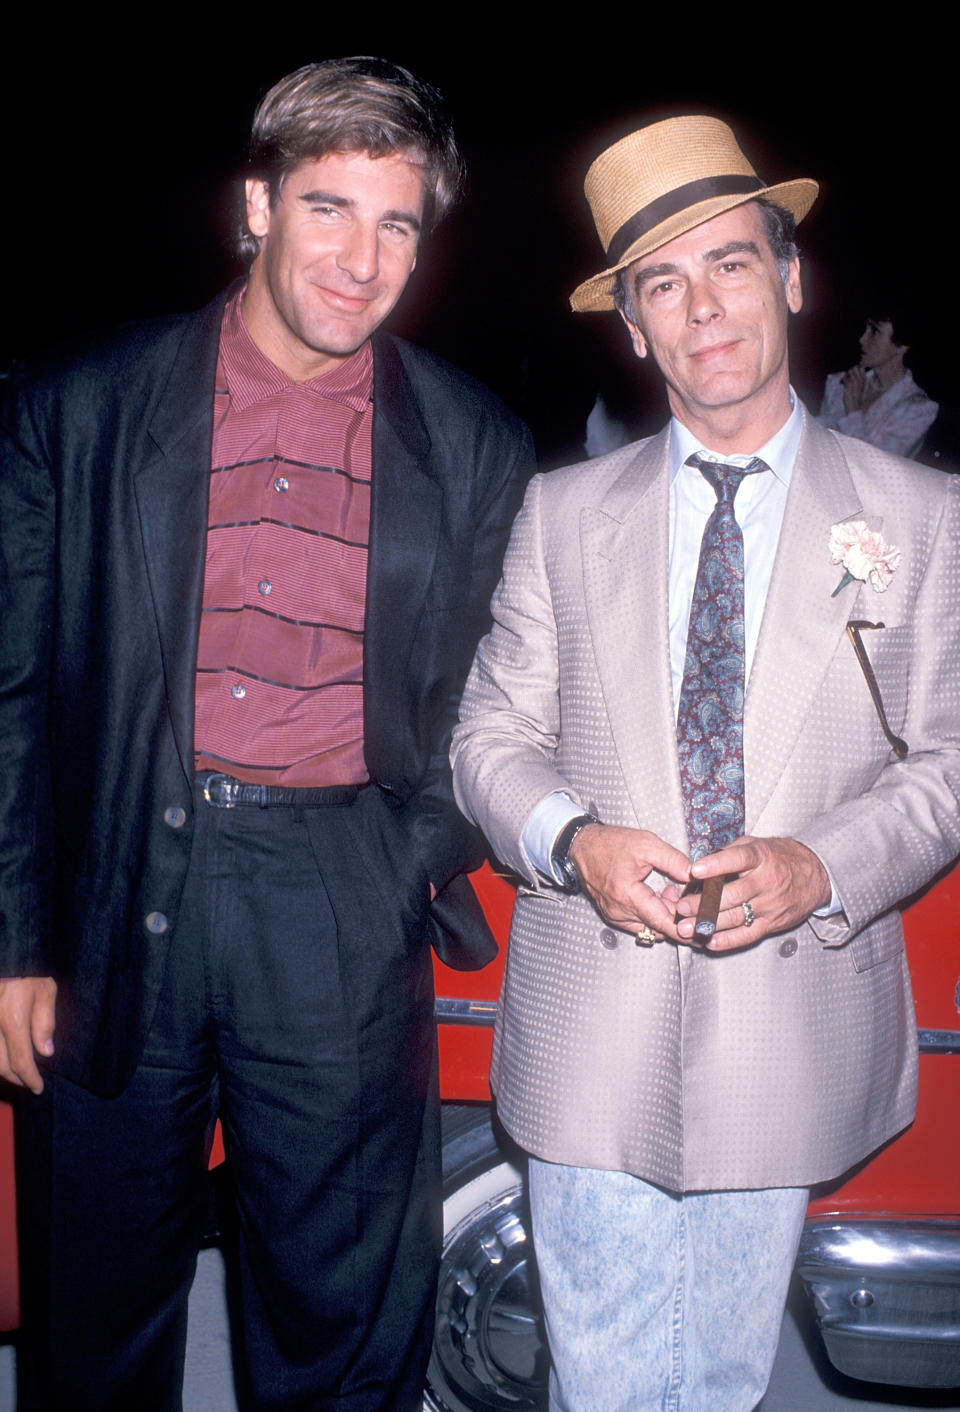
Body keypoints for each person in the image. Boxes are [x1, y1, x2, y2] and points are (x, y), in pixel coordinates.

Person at [0, 56, 532, 1411]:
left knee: (342, 1319)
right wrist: (15, 942)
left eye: (398, 222)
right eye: (330, 209)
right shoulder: (78, 410)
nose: (362, 259)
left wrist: (395, 859)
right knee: (96, 1306)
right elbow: (10, 693)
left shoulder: (474, 444)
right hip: (124, 880)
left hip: (337, 893)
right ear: (258, 203)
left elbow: (502, 695)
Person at [451, 115, 960, 1411]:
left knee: (722, 1382)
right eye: (660, 283)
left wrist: (822, 862)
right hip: (593, 1032)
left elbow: (948, 763)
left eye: (730, 263)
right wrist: (574, 839)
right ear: (630, 325)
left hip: (786, 1028)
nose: (701, 306)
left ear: (790, 279)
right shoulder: (563, 517)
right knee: (611, 1380)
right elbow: (489, 739)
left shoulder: (920, 519)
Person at [818, 309, 938, 457]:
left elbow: (874, 467)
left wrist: (853, 412)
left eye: (874, 331)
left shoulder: (918, 410)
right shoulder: (840, 383)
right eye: (866, 329)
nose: (862, 339)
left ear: (902, 345)